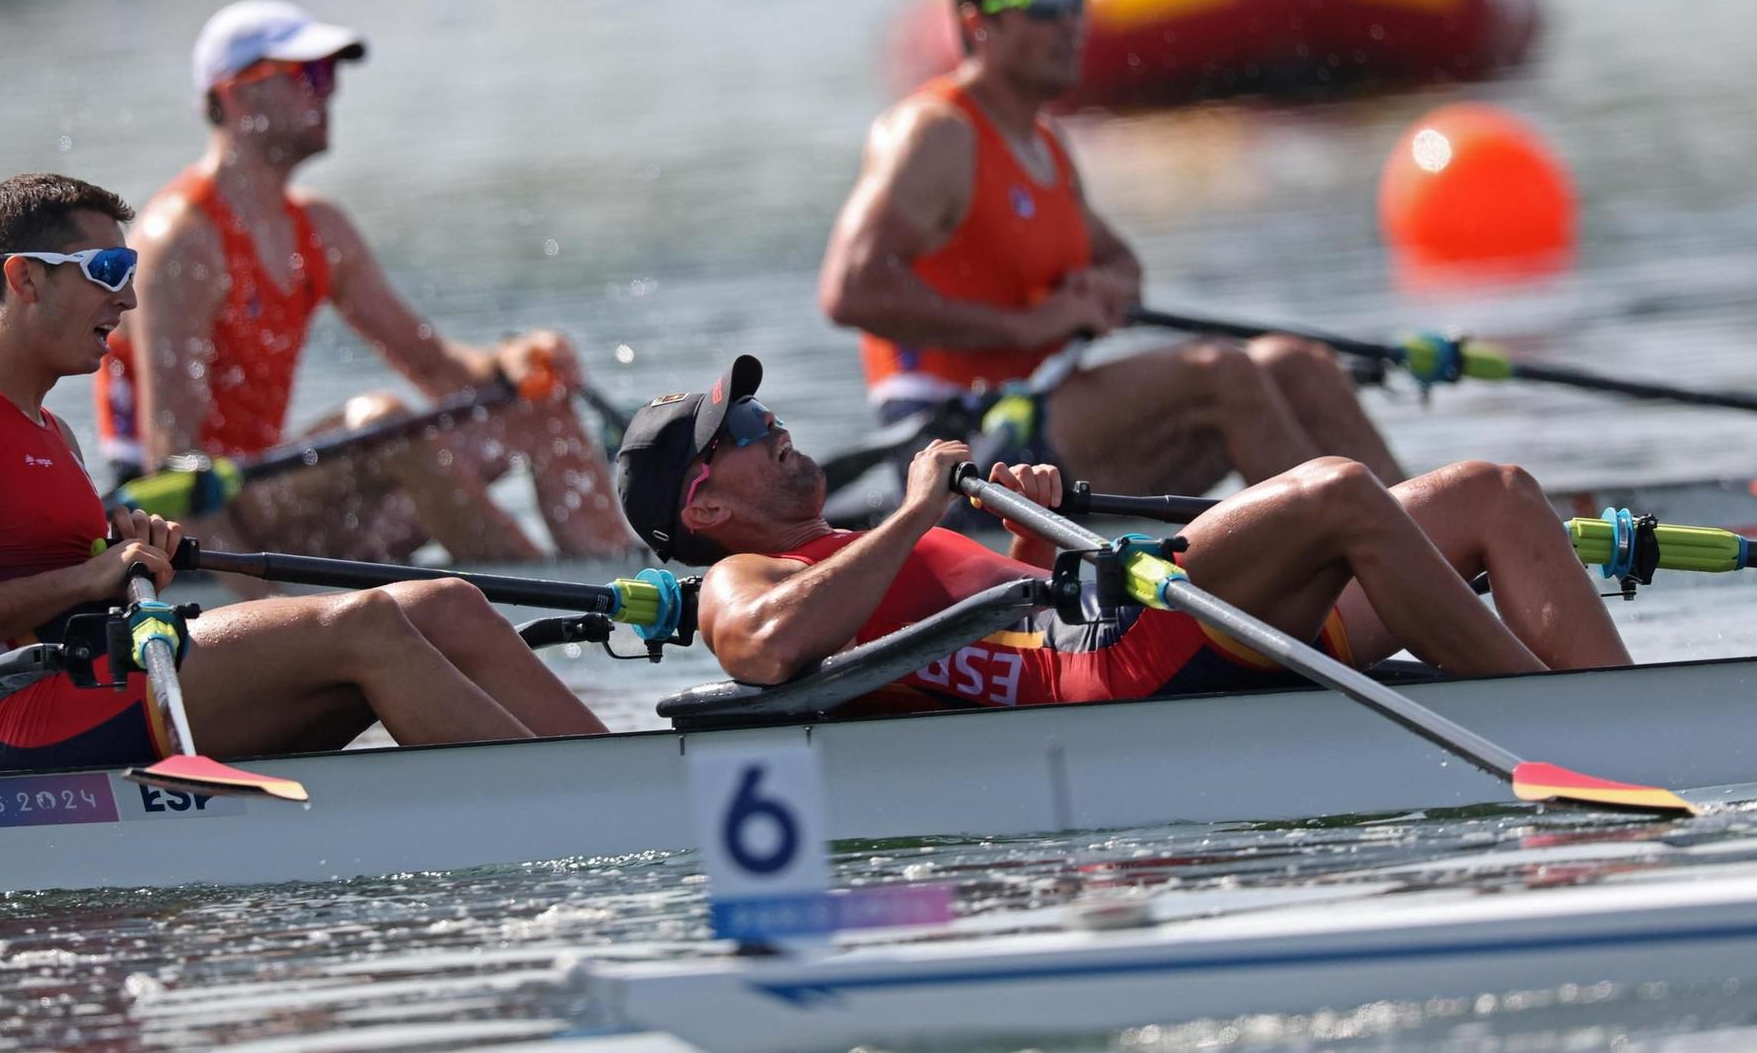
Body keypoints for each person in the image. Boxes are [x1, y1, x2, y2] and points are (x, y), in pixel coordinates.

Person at [0, 173, 603, 773]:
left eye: (131, 271)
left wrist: (127, 565)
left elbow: (52, 591)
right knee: (366, 620)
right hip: (28, 716)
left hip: (112, 679)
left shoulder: (55, 432)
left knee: (449, 602)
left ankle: (624, 778)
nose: (128, 298)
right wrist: (87, 580)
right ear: (26, 280)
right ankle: (574, 807)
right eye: (106, 270)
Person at [616, 355, 1630, 711]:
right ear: (704, 509)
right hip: (1115, 669)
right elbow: (766, 646)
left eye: (761, 412)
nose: (772, 425)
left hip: (1123, 639)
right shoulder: (734, 579)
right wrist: (920, 507)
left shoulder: (837, 546)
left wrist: (1030, 546)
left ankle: (1627, 718)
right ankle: (1555, 728)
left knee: (1491, 490)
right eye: (742, 433)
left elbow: (984, 629)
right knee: (1334, 489)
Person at [820, 0, 1405, 500]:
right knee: (1220, 374)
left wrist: (1099, 292)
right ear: (979, 24)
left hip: (1047, 406)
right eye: (1042, 6)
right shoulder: (935, 133)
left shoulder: (1042, 142)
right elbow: (850, 290)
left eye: (1074, 1)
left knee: (1297, 364)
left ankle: (1434, 549)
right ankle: (1343, 566)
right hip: (963, 444)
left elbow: (1122, 265)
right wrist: (1023, 326)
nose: (1070, 24)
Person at [95, 0, 632, 565]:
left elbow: (439, 372)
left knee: (535, 406)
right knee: (382, 422)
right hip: (219, 522)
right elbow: (173, 462)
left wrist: (515, 360)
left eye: (328, 75)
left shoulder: (320, 230)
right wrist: (256, 601)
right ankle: (549, 599)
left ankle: (619, 584)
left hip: (295, 499)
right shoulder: (181, 241)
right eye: (308, 75)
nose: (328, 92)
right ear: (236, 94)